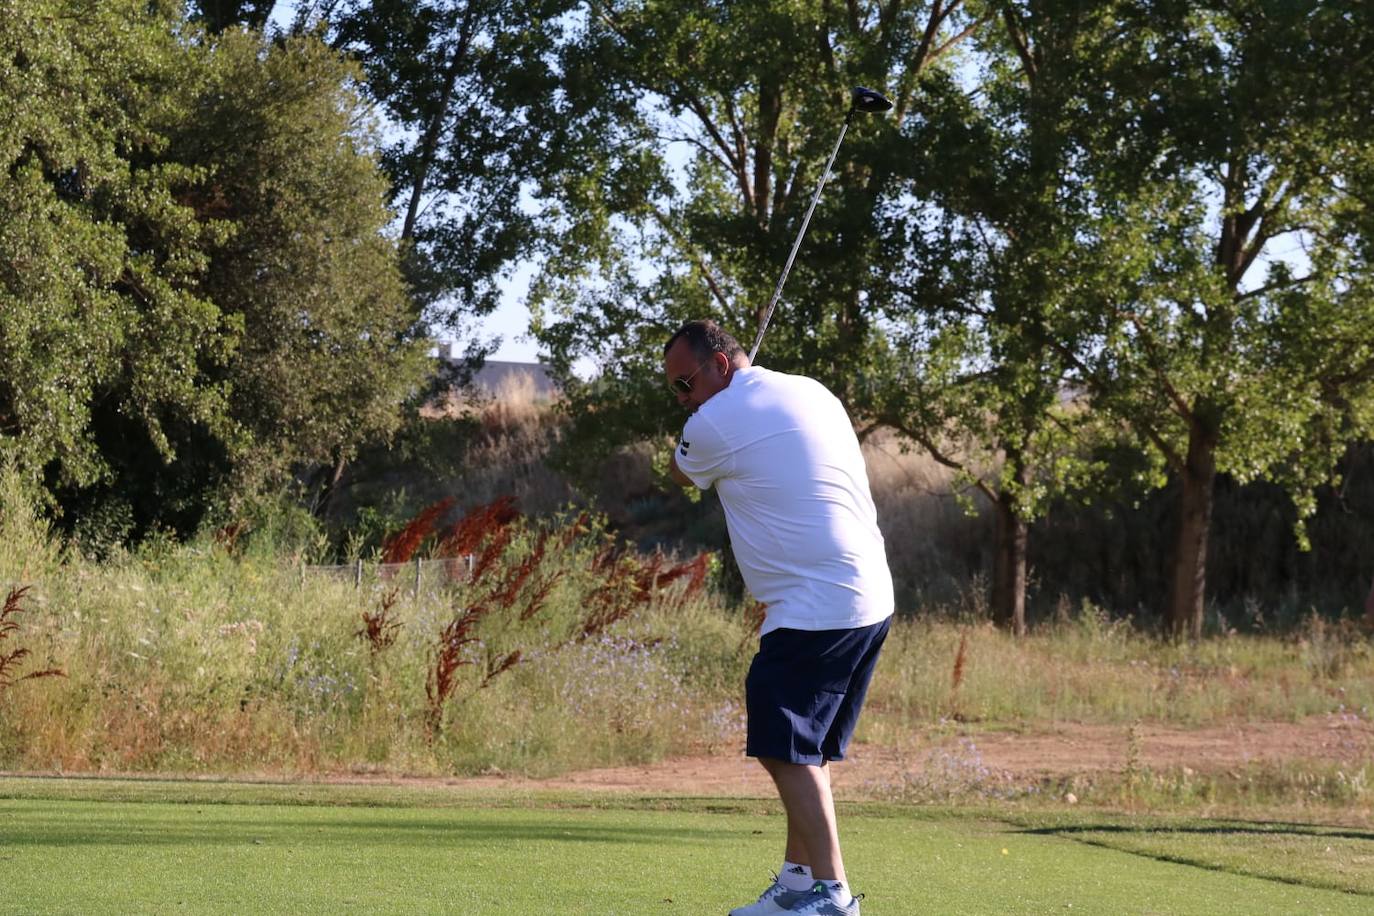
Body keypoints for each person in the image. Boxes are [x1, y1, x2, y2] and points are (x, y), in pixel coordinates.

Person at [663, 320, 893, 916]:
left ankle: (832, 893)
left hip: (816, 605)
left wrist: (703, 418)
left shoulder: (712, 423)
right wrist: (717, 403)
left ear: (722, 363)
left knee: (784, 748)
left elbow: (680, 474)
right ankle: (796, 884)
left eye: (686, 384)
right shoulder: (811, 388)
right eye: (676, 392)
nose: (684, 399)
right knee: (800, 749)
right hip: (866, 598)